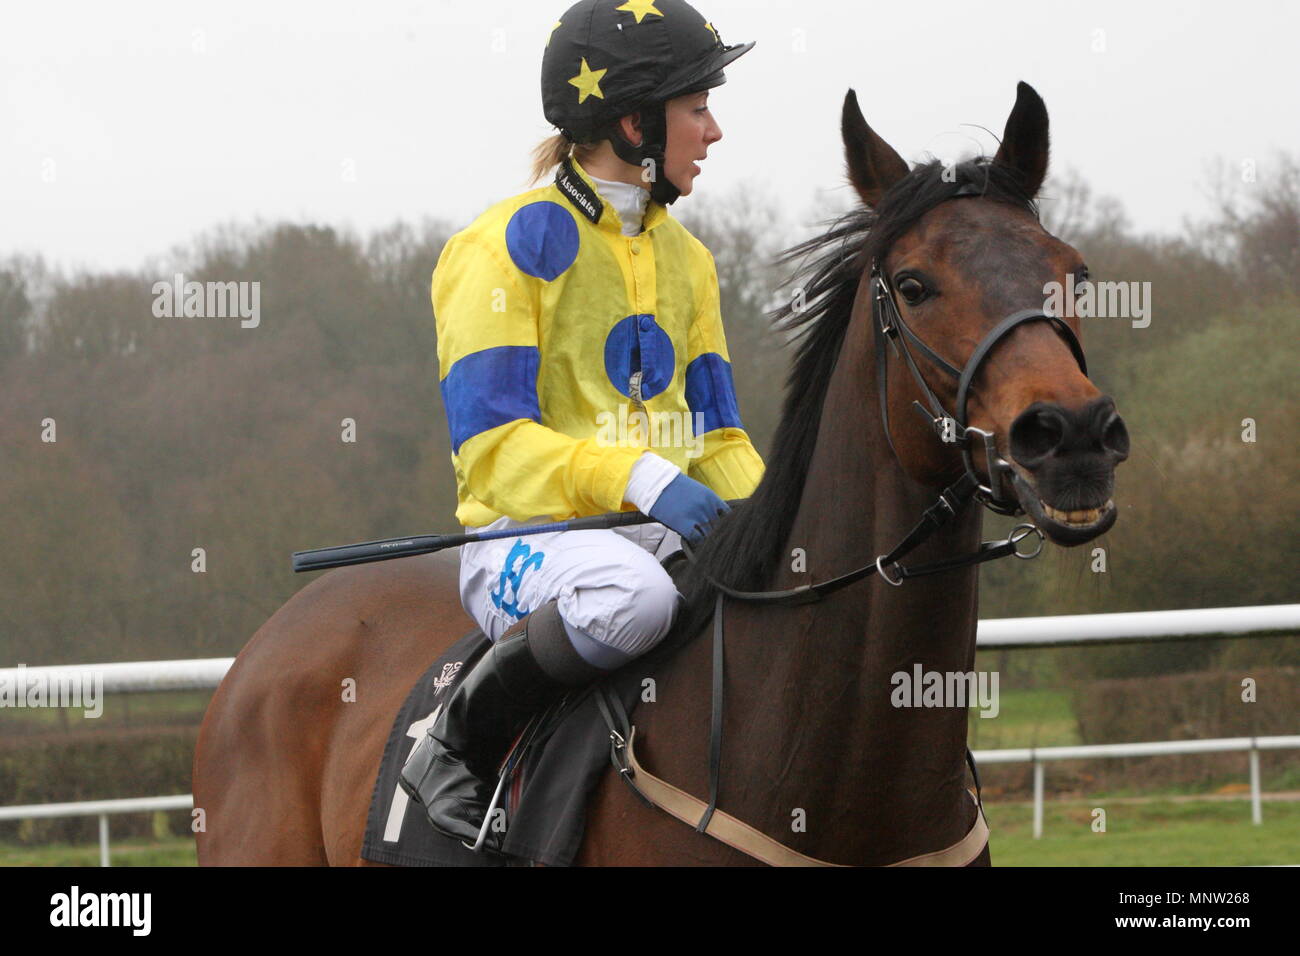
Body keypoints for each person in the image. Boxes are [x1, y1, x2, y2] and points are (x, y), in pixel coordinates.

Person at [400, 0, 764, 849]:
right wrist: (641, 479)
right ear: (634, 122)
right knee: (629, 598)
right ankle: (455, 742)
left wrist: (781, 520)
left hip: (655, 534)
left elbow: (718, 441)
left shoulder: (691, 259)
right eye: (698, 107)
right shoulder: (498, 248)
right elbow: (494, 455)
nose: (714, 132)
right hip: (527, 540)